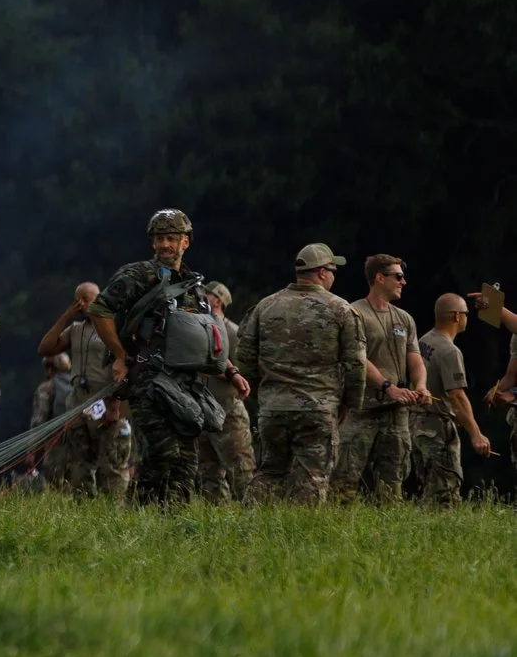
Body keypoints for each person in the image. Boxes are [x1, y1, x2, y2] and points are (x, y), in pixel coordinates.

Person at [89, 209, 229, 504]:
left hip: (185, 384)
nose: (164, 244)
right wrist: (118, 355)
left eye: (171, 238)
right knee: (162, 453)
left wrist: (232, 372)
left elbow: (205, 340)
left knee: (187, 462)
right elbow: (100, 310)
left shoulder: (195, 286)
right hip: (147, 380)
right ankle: (135, 515)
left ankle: (174, 526)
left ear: (185, 242)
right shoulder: (137, 275)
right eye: (159, 239)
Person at [236, 243, 365, 504]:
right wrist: (351, 403)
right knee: (312, 476)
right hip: (318, 407)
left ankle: (249, 526)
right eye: (332, 270)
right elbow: (356, 363)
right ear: (321, 272)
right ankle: (301, 531)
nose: (333, 276)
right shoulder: (341, 309)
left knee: (269, 471)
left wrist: (262, 392)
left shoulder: (265, 306)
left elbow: (245, 356)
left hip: (274, 407)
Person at [337, 254, 426, 504]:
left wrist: (420, 386)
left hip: (396, 412)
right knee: (344, 478)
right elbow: (357, 358)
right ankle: (335, 531)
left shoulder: (404, 318)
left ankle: (387, 533)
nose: (403, 282)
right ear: (379, 278)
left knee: (393, 481)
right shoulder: (354, 313)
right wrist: (387, 387)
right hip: (361, 409)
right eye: (398, 276)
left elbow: (415, 357)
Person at [36, 282, 127, 499]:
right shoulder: (75, 330)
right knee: (79, 462)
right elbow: (45, 348)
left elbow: (124, 365)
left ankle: (114, 510)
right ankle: (83, 506)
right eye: (78, 299)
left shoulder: (113, 326)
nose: (81, 303)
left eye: (86, 299)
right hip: (78, 402)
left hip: (106, 401)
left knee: (110, 462)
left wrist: (115, 404)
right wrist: (66, 316)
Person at [413, 294, 495, 504]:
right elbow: (457, 396)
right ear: (457, 317)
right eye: (466, 313)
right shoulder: (450, 351)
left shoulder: (424, 340)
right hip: (438, 428)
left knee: (428, 487)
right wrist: (476, 434)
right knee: (445, 493)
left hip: (418, 425)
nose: (468, 317)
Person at [192, 281, 254, 502]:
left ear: (216, 300)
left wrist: (216, 369)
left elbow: (243, 372)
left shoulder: (233, 332)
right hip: (201, 410)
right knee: (208, 473)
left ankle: (254, 520)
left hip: (228, 410)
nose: (200, 298)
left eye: (205, 294)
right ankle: (216, 522)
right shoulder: (197, 328)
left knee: (241, 470)